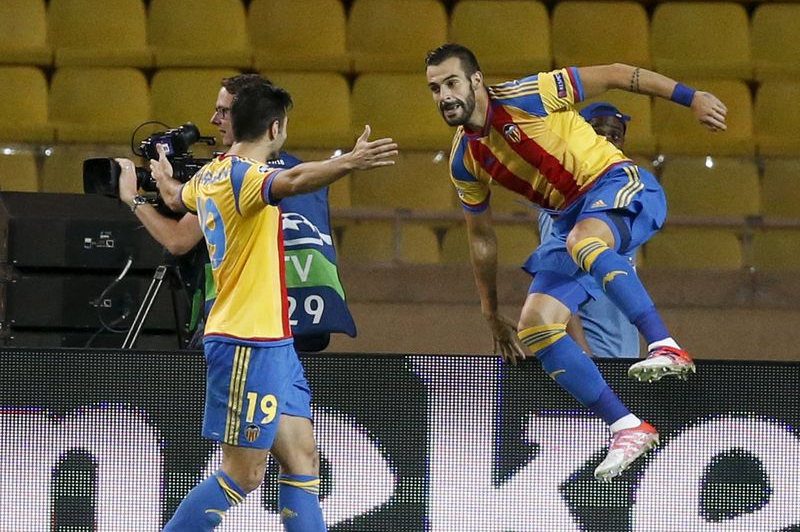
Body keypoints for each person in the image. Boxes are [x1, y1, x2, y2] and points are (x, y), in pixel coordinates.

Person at [425, 43, 727, 481]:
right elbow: (482, 240)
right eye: (434, 88)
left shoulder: (531, 94)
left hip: (619, 185)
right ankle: (626, 426)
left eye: (451, 83)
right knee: (537, 326)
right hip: (569, 220)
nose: (444, 96)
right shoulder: (464, 160)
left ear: (475, 80)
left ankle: (665, 345)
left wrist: (692, 97)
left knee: (584, 241)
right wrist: (491, 312)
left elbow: (620, 72)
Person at [152, 82, 397, 530]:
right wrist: (351, 161)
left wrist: (157, 174)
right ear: (275, 127)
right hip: (248, 340)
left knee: (302, 459)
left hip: (274, 339)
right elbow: (296, 179)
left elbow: (173, 197)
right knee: (243, 474)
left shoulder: (211, 174)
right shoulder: (244, 176)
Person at [115, 73, 352, 351]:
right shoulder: (308, 174)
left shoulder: (229, 175)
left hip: (243, 331)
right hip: (307, 325)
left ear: (247, 116)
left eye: (223, 112)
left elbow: (177, 241)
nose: (214, 121)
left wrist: (133, 198)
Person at [538, 102, 639, 358]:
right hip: (590, 360)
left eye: (615, 136)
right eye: (597, 133)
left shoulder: (621, 202)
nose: (606, 142)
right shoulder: (562, 202)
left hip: (624, 358)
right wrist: (584, 356)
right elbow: (556, 284)